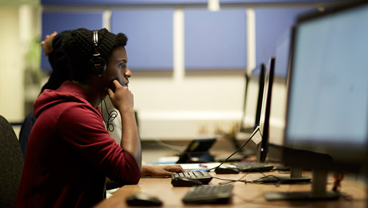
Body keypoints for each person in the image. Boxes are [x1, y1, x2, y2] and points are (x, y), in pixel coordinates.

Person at [15, 28, 182, 207]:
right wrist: (126, 108)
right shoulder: (72, 113)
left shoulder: (81, 107)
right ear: (98, 67)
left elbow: (96, 173)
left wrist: (145, 170)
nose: (128, 72)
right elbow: (128, 172)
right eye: (121, 65)